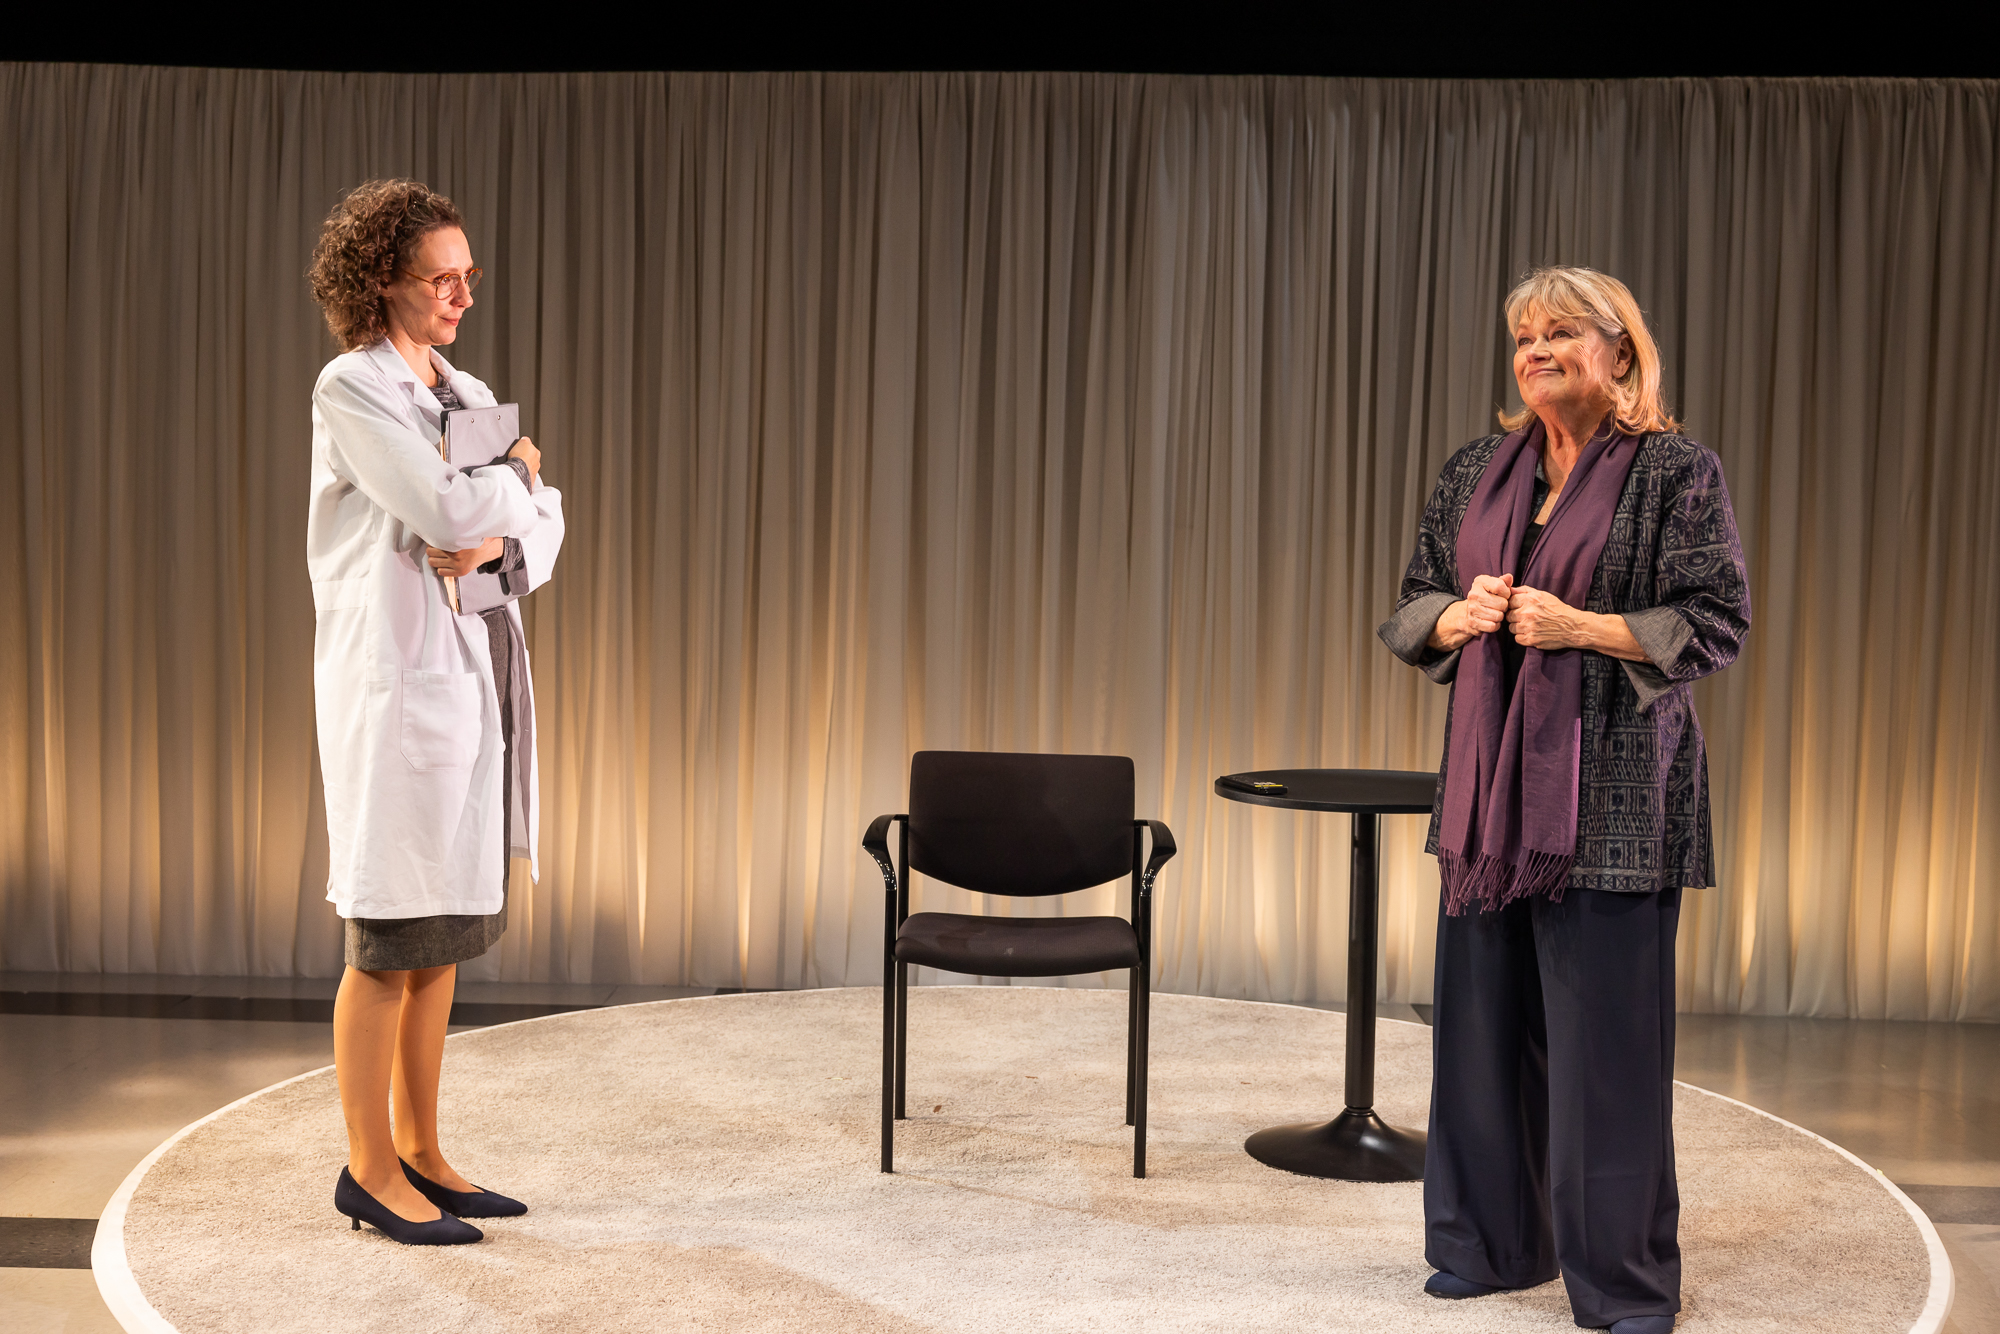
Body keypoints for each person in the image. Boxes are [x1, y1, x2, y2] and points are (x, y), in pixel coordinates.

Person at [1378, 266, 1750, 1334]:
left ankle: (1621, 1283)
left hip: (1619, 799)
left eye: (1559, 333)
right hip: (1488, 805)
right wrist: (1458, 616)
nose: (1535, 352)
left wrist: (1578, 626)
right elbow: (1412, 603)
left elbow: (1715, 620)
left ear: (1619, 351)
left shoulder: (1676, 470)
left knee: (1604, 1059)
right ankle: (1488, 1245)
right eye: (1523, 338)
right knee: (1480, 1036)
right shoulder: (1473, 470)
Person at [305, 179, 565, 1245]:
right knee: (386, 942)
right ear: (382, 282)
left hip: (471, 677)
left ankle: (422, 1148)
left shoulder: (466, 389)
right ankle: (368, 1169)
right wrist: (519, 481)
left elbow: (534, 544)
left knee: (442, 938)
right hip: (398, 687)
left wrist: (510, 526)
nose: (462, 293)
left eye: (468, 274)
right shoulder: (352, 388)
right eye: (440, 277)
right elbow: (452, 508)